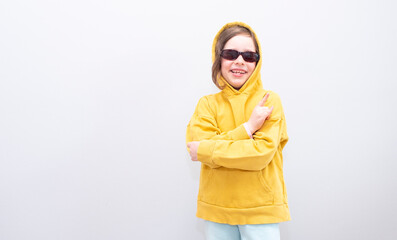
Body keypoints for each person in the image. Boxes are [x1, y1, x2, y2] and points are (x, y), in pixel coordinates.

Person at [186, 22, 290, 240]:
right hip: (216, 210)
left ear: (257, 62)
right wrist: (248, 128)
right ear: (219, 58)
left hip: (261, 211)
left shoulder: (269, 101)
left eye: (249, 56)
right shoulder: (206, 105)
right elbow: (197, 147)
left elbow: (259, 155)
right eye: (231, 53)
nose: (240, 61)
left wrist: (209, 150)